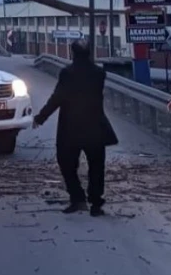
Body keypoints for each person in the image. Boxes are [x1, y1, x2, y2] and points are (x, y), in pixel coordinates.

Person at [32, 40, 119, 216]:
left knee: (67, 164)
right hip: (95, 126)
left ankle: (78, 198)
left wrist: (41, 117)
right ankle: (96, 203)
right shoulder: (99, 73)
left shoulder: (67, 73)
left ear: (72, 53)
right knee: (96, 165)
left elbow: (57, 98)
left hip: (70, 128)